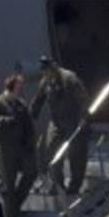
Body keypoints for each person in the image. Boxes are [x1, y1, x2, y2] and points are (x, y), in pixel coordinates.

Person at [30, 55, 91, 196]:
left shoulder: (69, 78)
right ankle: (57, 184)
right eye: (44, 71)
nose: (46, 73)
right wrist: (31, 115)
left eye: (48, 70)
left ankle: (74, 186)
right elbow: (38, 100)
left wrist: (84, 117)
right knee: (51, 150)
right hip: (56, 121)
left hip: (73, 120)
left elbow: (83, 98)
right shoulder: (46, 81)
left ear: (53, 66)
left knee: (76, 154)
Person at [0, 73, 37, 217]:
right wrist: (5, 121)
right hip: (4, 148)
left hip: (20, 147)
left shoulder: (20, 104)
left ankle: (14, 206)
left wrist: (30, 142)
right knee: (9, 182)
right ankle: (12, 216)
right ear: (11, 87)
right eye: (19, 86)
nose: (21, 89)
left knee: (31, 173)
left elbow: (28, 125)